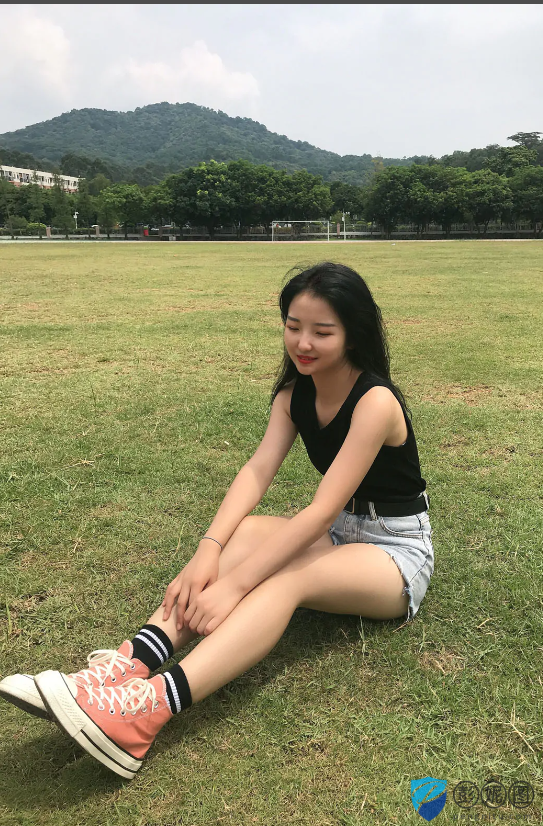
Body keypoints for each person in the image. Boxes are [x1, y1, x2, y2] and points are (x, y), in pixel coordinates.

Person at [0, 262, 434, 779]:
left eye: (322, 331)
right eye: (293, 326)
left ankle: (145, 712)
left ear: (353, 333)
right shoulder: (294, 395)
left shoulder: (375, 401)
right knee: (241, 536)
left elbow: (320, 511)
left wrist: (235, 586)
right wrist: (208, 551)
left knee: (283, 582)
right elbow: (257, 470)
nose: (303, 343)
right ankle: (126, 666)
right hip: (343, 534)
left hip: (394, 552)